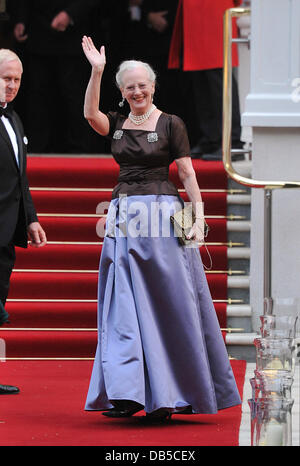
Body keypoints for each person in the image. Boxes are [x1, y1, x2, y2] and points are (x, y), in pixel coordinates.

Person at [82, 36, 241, 421]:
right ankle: (128, 393)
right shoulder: (117, 124)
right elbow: (90, 115)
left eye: (143, 84)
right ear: (122, 92)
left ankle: (168, 396)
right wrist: (98, 71)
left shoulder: (172, 123)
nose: (137, 91)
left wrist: (199, 217)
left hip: (164, 214)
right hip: (124, 215)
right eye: (129, 86)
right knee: (124, 305)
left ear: (153, 86)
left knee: (171, 302)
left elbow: (186, 172)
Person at [0, 48, 47, 394]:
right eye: (5, 79)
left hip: (7, 228)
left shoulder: (14, 119)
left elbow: (21, 177)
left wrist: (30, 218)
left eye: (16, 79)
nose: (11, 86)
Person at [168, 0, 243, 160]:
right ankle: (211, 138)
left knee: (219, 80)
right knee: (200, 78)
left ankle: (232, 142)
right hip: (195, 14)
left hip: (215, 12)